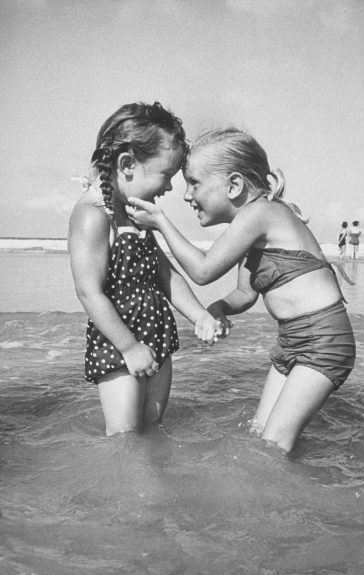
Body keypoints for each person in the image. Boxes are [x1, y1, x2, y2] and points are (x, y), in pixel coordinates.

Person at [126, 128, 356, 453]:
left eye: (194, 183)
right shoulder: (251, 229)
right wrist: (220, 309)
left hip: (324, 342)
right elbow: (245, 294)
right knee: (260, 435)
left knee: (275, 444)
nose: (187, 195)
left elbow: (203, 270)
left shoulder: (260, 213)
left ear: (234, 185)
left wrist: (162, 223)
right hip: (292, 341)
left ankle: (284, 502)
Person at [68, 102, 222, 436]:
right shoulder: (94, 214)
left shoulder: (137, 215)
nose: (169, 188)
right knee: (124, 437)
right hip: (118, 343)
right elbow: (88, 292)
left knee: (152, 428)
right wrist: (128, 347)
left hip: (157, 335)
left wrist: (199, 315)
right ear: (126, 164)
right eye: (166, 175)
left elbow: (166, 276)